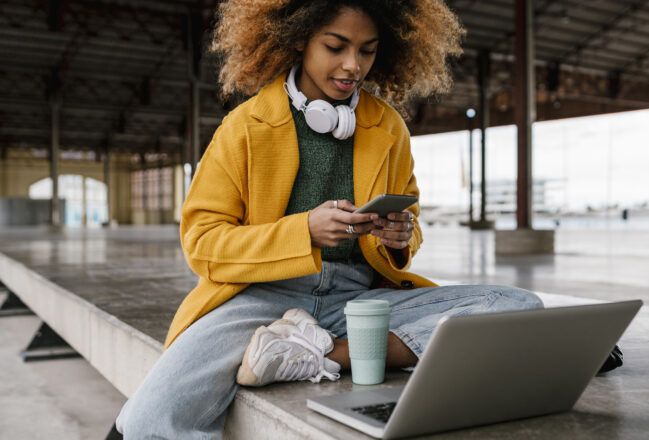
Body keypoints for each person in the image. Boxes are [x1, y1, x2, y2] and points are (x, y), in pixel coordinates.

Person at [112, 1, 543, 438]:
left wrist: (399, 238)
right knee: (149, 422)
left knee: (516, 306)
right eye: (336, 46)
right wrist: (305, 232)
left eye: (368, 51)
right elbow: (203, 243)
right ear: (298, 38)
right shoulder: (243, 128)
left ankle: (323, 352)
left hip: (357, 303)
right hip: (256, 301)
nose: (353, 65)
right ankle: (313, 346)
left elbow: (408, 219)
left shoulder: (388, 128)